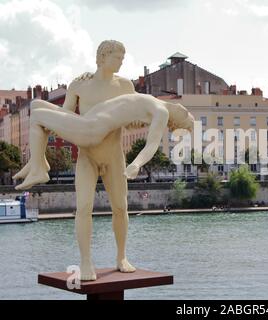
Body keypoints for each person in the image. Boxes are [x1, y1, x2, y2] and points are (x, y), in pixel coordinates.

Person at [14, 40, 194, 281]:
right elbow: (67, 116)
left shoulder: (126, 85)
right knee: (83, 209)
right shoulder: (79, 84)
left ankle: (121, 257)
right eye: (118, 57)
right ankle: (86, 261)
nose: (122, 61)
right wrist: (55, 126)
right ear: (102, 56)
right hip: (87, 155)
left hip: (113, 156)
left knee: (120, 208)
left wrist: (136, 151)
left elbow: (131, 116)